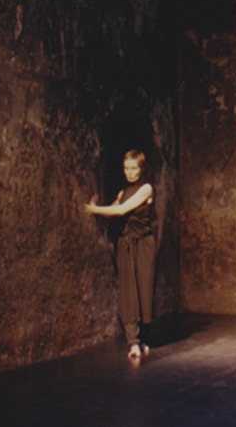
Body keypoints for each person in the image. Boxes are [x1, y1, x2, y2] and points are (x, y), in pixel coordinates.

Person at [85, 150, 156, 360]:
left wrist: (94, 210)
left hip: (144, 245)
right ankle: (133, 342)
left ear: (141, 168)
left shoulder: (146, 189)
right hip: (126, 244)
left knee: (144, 291)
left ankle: (143, 338)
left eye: (134, 168)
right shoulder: (123, 191)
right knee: (128, 292)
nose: (129, 172)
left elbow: (121, 211)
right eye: (126, 168)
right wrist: (96, 207)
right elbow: (114, 209)